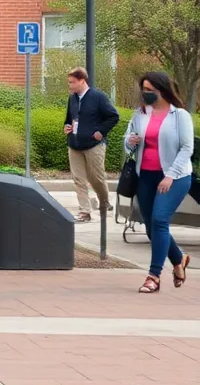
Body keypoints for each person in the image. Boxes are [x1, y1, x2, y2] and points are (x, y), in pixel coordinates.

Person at [122, 72, 194, 294]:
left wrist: (170, 175)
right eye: (143, 89)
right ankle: (179, 259)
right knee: (150, 227)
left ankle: (153, 276)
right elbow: (127, 141)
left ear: (162, 90)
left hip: (175, 177)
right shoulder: (140, 114)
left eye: (150, 90)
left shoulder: (179, 115)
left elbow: (187, 148)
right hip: (145, 175)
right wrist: (130, 141)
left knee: (160, 220)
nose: (145, 94)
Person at [63, 67, 121, 223]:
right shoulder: (72, 98)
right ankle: (84, 212)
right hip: (74, 144)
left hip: (93, 145)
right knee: (78, 179)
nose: (70, 85)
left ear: (82, 81)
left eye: (72, 82)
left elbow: (113, 116)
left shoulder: (98, 97)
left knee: (96, 178)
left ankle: (104, 202)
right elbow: (69, 118)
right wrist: (67, 126)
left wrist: (101, 131)